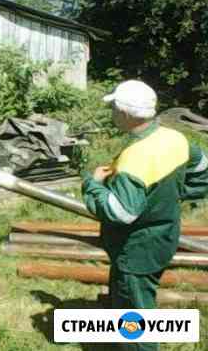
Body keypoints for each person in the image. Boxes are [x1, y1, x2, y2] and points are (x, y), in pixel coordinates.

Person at [82, 80, 208, 351]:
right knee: (127, 297)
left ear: (126, 114)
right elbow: (202, 168)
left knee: (135, 315)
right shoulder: (174, 137)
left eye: (114, 108)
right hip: (162, 237)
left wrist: (92, 185)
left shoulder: (135, 158)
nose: (112, 113)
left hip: (138, 248)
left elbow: (121, 212)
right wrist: (173, 195)